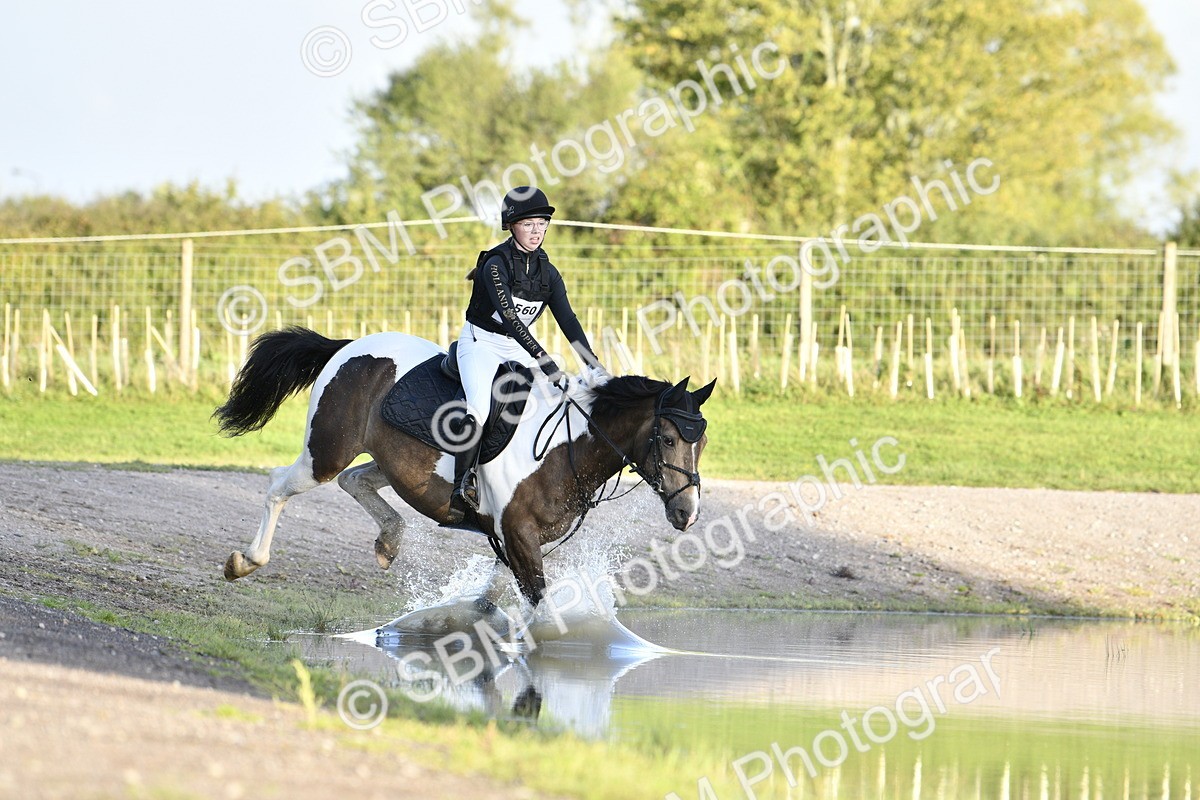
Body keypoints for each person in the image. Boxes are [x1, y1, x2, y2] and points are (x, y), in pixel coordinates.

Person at [449, 186, 604, 520]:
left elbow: (569, 322)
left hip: (516, 347)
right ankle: (462, 486)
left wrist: (594, 367)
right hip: (481, 344)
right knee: (478, 408)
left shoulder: (548, 273)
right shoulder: (495, 264)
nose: (537, 231)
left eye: (542, 224)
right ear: (511, 226)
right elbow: (511, 318)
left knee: (549, 401)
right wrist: (546, 362)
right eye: (528, 224)